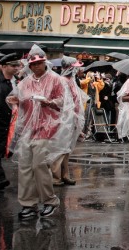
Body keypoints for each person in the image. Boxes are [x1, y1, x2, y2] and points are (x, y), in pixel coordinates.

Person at [6, 45, 75, 219]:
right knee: (25, 166)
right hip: (29, 127)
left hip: (47, 126)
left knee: (39, 165)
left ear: (45, 63)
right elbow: (18, 99)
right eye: (33, 64)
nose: (36, 66)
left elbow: (63, 102)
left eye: (40, 63)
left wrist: (49, 102)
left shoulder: (55, 79)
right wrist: (15, 100)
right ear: (30, 66)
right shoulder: (26, 82)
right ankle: (28, 204)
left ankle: (50, 201)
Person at [51, 56, 87, 187]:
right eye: (75, 68)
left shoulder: (71, 80)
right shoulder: (61, 81)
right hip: (63, 119)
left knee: (67, 149)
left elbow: (76, 99)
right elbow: (63, 101)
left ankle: (65, 174)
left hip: (72, 119)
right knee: (60, 148)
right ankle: (55, 177)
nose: (77, 70)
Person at [0, 54, 21, 190]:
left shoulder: (16, 82)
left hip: (9, 122)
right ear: (4, 66)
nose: (16, 68)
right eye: (13, 66)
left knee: (1, 150)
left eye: (17, 65)